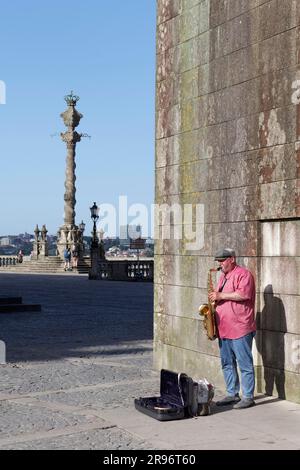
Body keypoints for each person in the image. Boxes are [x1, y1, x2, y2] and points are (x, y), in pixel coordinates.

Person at [208, 248, 256, 409]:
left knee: (245, 364)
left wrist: (220, 296)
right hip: (224, 327)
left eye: (222, 261)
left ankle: (248, 396)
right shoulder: (223, 276)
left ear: (232, 259)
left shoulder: (244, 274)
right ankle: (232, 394)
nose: (220, 264)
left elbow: (243, 295)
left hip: (240, 327)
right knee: (227, 363)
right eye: (219, 262)